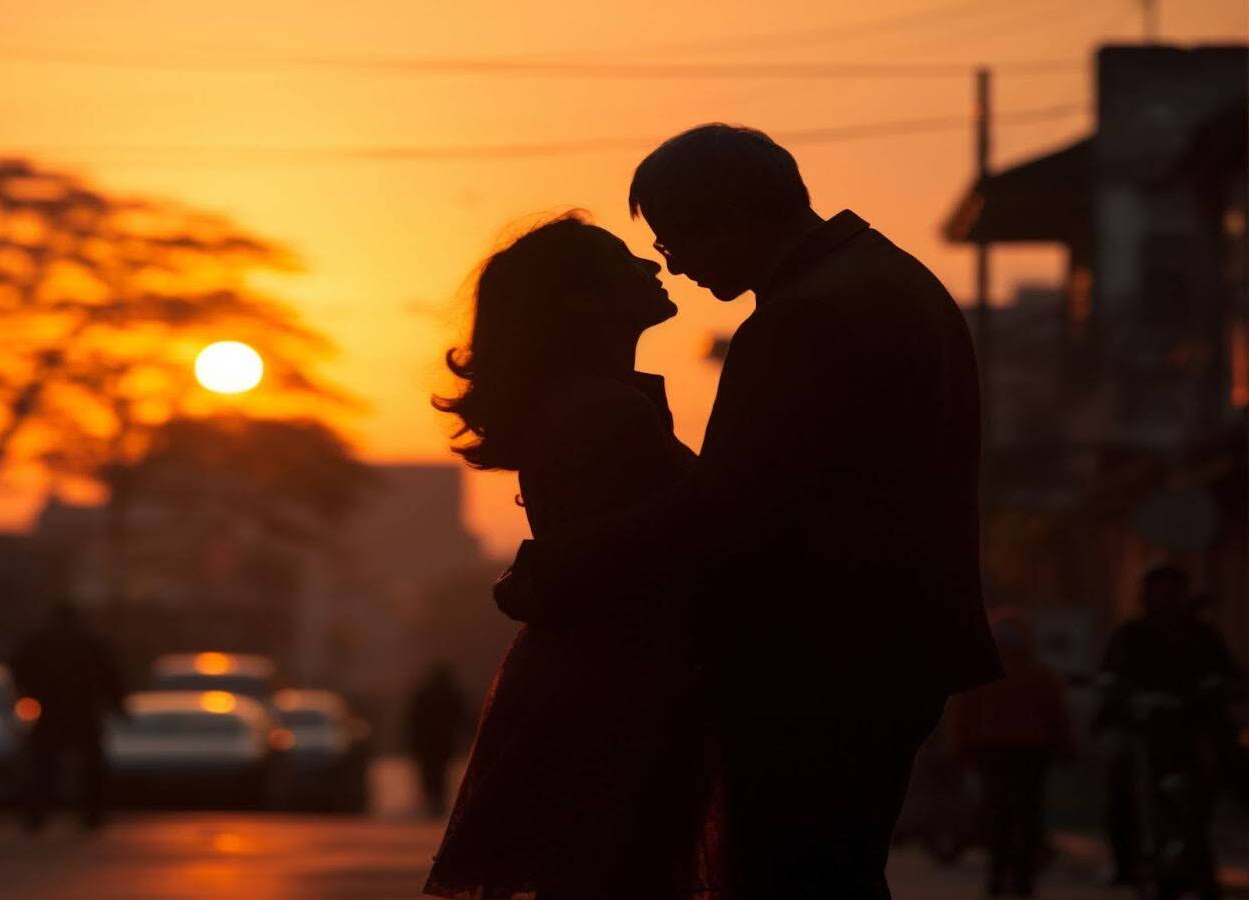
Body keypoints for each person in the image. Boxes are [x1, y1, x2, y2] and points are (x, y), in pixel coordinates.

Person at [496, 124, 1002, 899]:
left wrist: (558, 566)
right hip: (880, 648)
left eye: (675, 240)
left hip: (823, 658)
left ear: (727, 216)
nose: (674, 264)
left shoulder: (806, 317)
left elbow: (728, 507)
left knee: (795, 876)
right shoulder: (886, 281)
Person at [425, 215, 722, 899]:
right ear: (583, 300)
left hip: (597, 679)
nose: (651, 266)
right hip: (619, 690)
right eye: (623, 260)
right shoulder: (605, 410)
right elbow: (657, 541)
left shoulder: (588, 404)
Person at [1096, 565, 1241, 897]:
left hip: (1194, 726)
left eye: (1173, 591)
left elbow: (1228, 673)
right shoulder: (1131, 634)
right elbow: (1110, 675)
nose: (1166, 598)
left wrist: (1217, 687)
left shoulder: (1202, 634)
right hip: (1145, 730)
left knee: (1228, 761)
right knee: (1119, 772)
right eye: (1159, 591)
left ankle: (1208, 852)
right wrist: (1124, 695)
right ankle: (1126, 858)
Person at [948, 611, 1073, 897]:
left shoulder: (981, 674)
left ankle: (999, 875)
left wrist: (960, 749)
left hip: (994, 752)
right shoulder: (1039, 674)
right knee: (1027, 815)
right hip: (1030, 752)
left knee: (999, 814)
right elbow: (1058, 715)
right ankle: (1021, 878)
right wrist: (1066, 747)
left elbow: (962, 716)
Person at [10, 602, 126, 833]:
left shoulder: (42, 642)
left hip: (56, 711)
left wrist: (30, 692)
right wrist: (118, 704)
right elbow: (110, 675)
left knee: (46, 766)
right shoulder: (88, 643)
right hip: (79, 711)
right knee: (85, 766)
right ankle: (90, 814)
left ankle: (38, 814)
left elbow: (18, 668)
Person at [404, 662, 473, 817]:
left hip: (426, 742)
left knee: (429, 770)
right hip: (443, 741)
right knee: (440, 771)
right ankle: (437, 800)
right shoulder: (451, 694)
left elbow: (412, 720)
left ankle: (432, 799)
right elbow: (463, 717)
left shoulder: (423, 694)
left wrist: (411, 740)